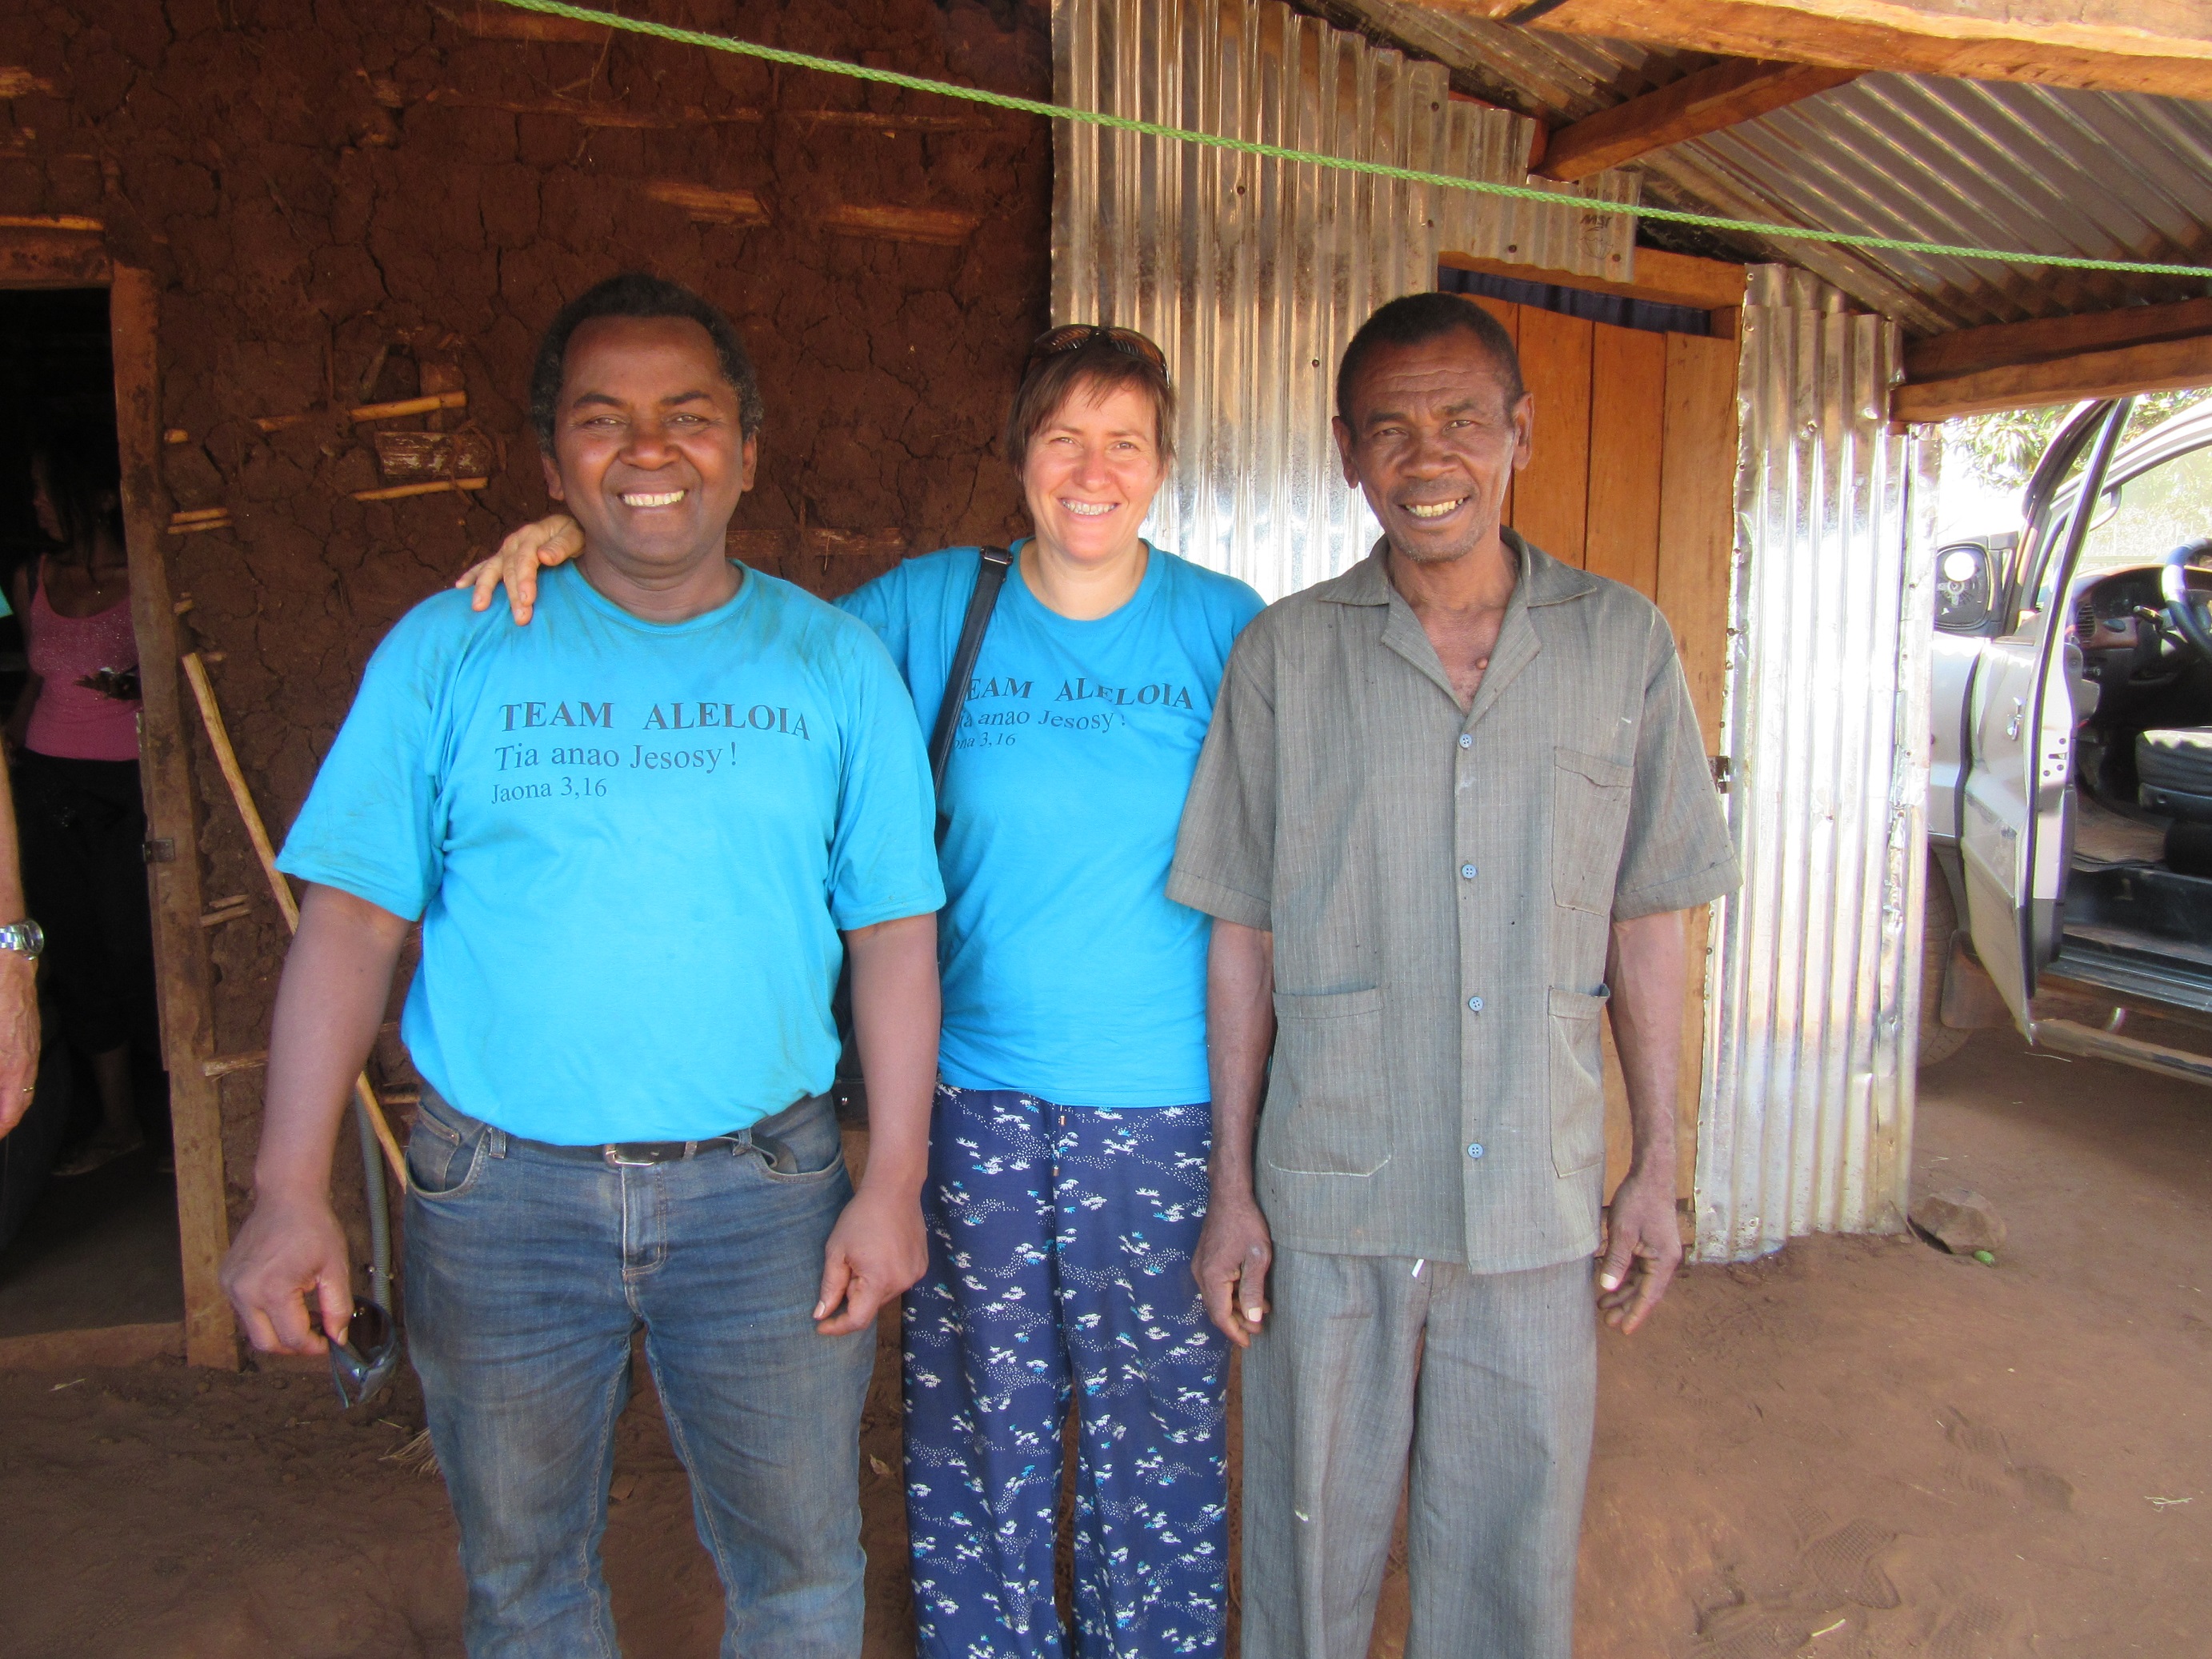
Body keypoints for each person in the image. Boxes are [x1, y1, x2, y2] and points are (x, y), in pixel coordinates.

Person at [463, 323, 1265, 1657]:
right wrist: (580, 542)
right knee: (981, 1422)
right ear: (1018, 453)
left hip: (1165, 1105)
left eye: (1125, 442)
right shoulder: (938, 606)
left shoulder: (1223, 627)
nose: (1093, 471)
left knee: (1159, 1436)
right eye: (1064, 437)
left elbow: (1274, 863)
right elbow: (739, 630)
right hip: (975, 1097)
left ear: (1163, 464)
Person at [219, 273, 946, 1658]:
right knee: (524, 1576)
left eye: (690, 415)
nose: (650, 449)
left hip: (768, 1196)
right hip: (498, 1198)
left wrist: (893, 1179)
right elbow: (353, 923)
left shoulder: (835, 663)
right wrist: (287, 1187)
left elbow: (894, 936)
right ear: (552, 464)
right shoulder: (450, 649)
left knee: (800, 1570)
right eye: (603, 419)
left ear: (748, 449)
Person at [1171, 293, 1738, 1659]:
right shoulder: (1286, 656)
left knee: (1508, 1562)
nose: (1429, 457)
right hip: (1331, 1190)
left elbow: (1647, 917)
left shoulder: (1620, 644)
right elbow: (1241, 931)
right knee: (1306, 1548)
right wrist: (1233, 1187)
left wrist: (1657, 1163)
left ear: (1520, 432)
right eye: (1391, 428)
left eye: (1463, 420)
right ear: (1346, 453)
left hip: (1534, 1194)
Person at [7, 434, 154, 1176]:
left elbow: (172, 671)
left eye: (47, 487)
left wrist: (134, 688)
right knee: (75, 946)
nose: (36, 503)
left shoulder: (145, 575)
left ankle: (170, 1123)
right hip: (49, 784)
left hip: (129, 787)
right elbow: (38, 677)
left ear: (98, 497)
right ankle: (118, 1125)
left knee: (138, 944)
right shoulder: (32, 576)